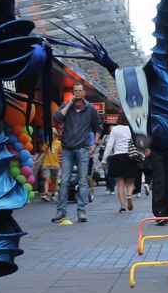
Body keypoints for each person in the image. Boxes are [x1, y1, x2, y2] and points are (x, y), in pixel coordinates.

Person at [53, 83, 102, 224]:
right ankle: (61, 211)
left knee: (82, 181)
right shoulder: (66, 105)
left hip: (83, 148)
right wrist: (68, 104)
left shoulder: (90, 109)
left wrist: (95, 144)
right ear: (73, 92)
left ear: (84, 93)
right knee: (64, 181)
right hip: (67, 148)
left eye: (80, 91)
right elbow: (57, 119)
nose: (78, 93)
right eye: (76, 91)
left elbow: (98, 127)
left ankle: (81, 211)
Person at [103, 122, 138, 212]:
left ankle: (122, 207)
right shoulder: (132, 128)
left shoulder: (115, 129)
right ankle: (129, 195)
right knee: (130, 181)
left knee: (120, 184)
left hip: (117, 156)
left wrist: (104, 159)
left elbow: (109, 145)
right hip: (130, 156)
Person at [41, 127, 62, 201]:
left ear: (55, 134)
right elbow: (43, 153)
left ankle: (53, 194)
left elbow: (61, 154)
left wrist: (62, 162)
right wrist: (38, 161)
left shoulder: (59, 143)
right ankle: (46, 194)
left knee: (54, 180)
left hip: (55, 165)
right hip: (46, 163)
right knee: (47, 179)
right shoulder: (47, 143)